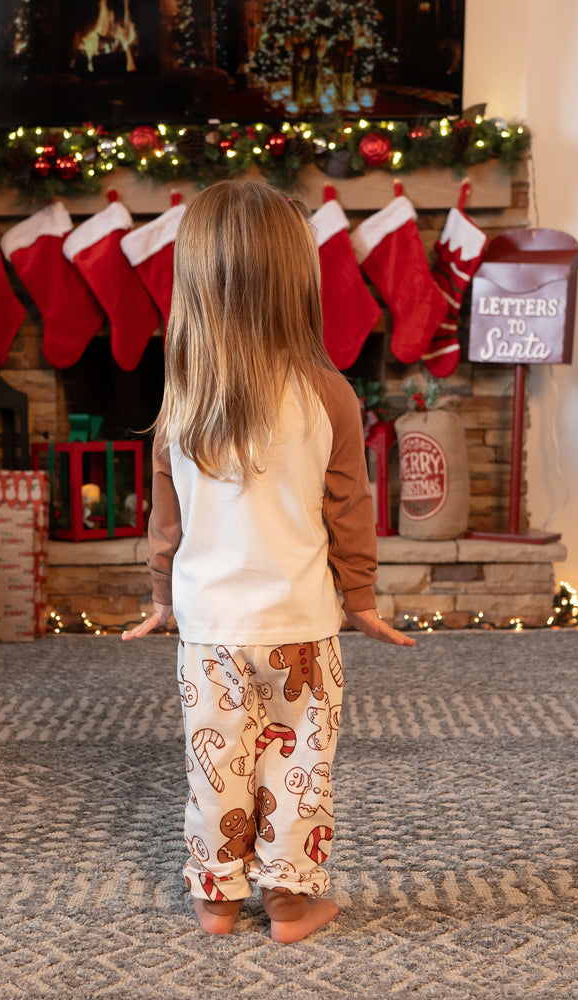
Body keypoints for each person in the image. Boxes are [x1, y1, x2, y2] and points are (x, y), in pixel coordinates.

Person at [123, 180, 415, 943]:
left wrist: (161, 596)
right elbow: (349, 512)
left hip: (209, 631)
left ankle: (215, 899)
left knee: (216, 765)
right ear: (297, 283)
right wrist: (362, 601)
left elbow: (167, 518)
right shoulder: (330, 395)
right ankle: (290, 901)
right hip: (301, 628)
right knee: (296, 766)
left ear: (196, 280)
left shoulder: (182, 396)